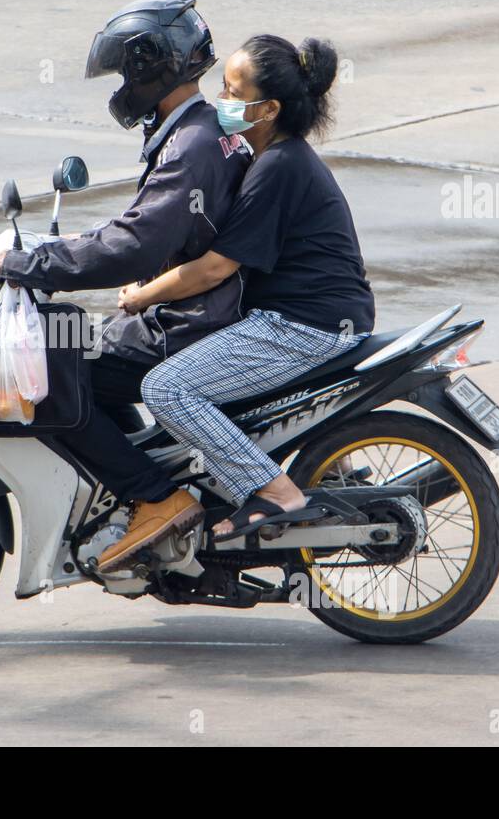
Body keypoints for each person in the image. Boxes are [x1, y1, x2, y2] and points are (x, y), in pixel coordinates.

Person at [0, 0, 253, 571]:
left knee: (55, 370)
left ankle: (155, 499)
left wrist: (35, 265)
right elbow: (147, 227)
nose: (117, 87)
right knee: (89, 367)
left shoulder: (191, 145)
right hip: (202, 310)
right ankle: (138, 487)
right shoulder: (205, 129)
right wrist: (62, 247)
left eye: (121, 72)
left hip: (191, 323)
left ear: (149, 67)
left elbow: (137, 243)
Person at [122, 34, 376, 538]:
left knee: (167, 389)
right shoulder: (277, 157)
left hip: (304, 327)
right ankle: (323, 470)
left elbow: (215, 269)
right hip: (324, 317)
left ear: (270, 108)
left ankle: (273, 491)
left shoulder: (277, 167)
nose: (223, 102)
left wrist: (141, 296)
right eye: (223, 87)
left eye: (235, 95)